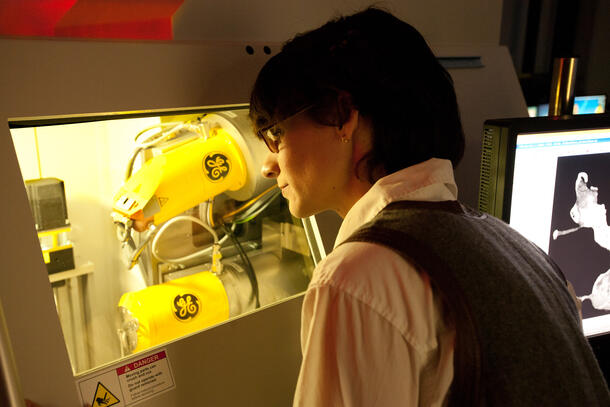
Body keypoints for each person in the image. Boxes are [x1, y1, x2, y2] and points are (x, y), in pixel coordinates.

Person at [249, 6, 610, 407]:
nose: (267, 165)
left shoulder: (355, 279)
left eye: (275, 133)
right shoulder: (521, 250)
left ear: (342, 115)